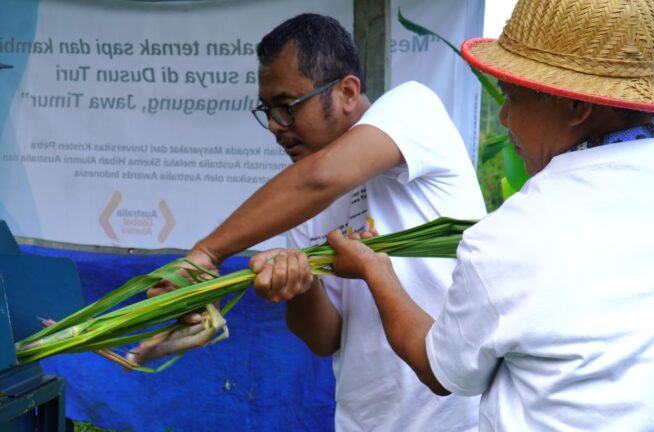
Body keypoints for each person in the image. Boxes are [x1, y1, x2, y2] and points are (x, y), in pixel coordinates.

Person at [318, 0, 654, 430]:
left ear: (578, 107)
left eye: (513, 98)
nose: (503, 118)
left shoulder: (510, 237)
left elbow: (438, 369)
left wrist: (376, 271)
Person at [143, 13, 487, 431]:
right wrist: (299, 286)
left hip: (458, 419)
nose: (274, 126)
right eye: (267, 110)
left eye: (286, 107)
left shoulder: (413, 109)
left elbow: (323, 176)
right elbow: (325, 338)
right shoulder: (307, 201)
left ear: (347, 91)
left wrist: (208, 253)